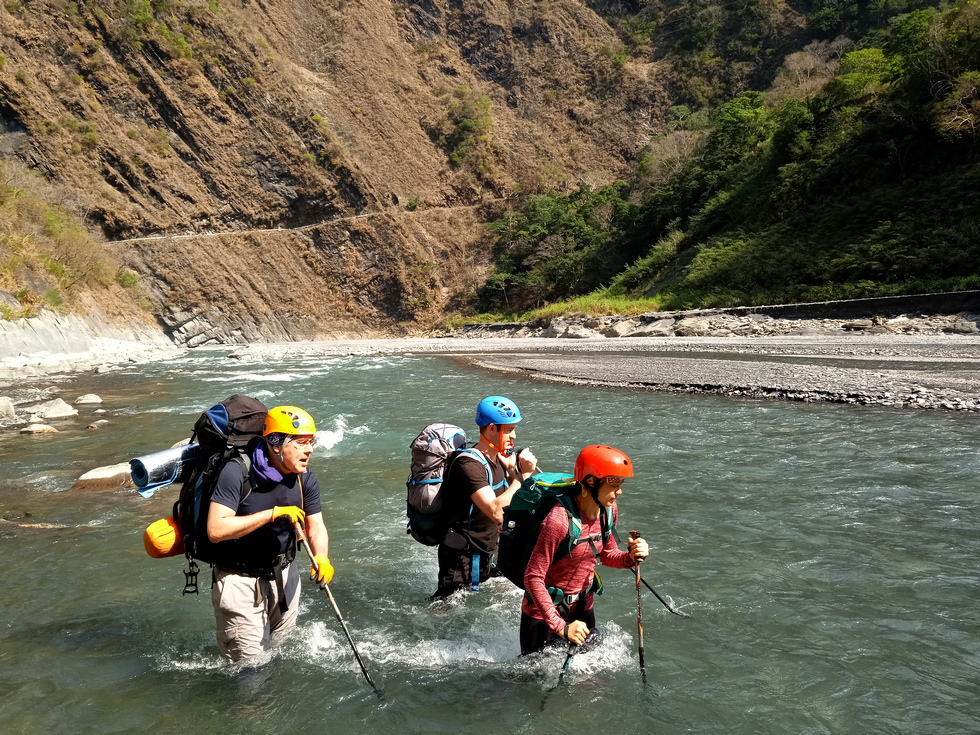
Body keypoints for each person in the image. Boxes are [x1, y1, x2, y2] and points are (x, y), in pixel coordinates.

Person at [206, 405, 333, 663]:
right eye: (300, 443)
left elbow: (316, 524)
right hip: (240, 581)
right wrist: (271, 514)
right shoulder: (237, 472)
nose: (309, 450)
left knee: (279, 656)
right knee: (251, 671)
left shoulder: (303, 478)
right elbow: (216, 530)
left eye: (311, 442)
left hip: (285, 577)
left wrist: (322, 557)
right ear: (276, 444)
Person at [521, 444, 648, 655]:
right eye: (613, 484)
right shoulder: (558, 520)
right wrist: (561, 627)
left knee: (589, 682)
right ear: (589, 483)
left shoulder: (608, 510)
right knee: (533, 681)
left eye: (621, 483)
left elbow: (607, 555)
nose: (619, 491)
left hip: (582, 607)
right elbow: (533, 577)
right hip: (543, 614)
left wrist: (630, 558)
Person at [432, 396, 538, 600]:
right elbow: (496, 511)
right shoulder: (469, 465)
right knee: (444, 608)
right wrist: (523, 476)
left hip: (490, 548)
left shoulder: (498, 458)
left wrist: (511, 471)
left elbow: (511, 501)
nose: (513, 436)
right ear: (491, 428)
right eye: (508, 429)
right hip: (461, 556)